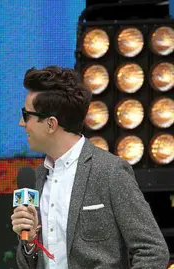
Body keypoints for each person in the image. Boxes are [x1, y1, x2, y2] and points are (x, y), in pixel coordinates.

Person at [10, 66, 169, 268]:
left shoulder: (110, 172)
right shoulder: (37, 178)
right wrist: (29, 243)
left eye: (26, 115)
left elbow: (153, 250)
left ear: (51, 124)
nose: (21, 123)